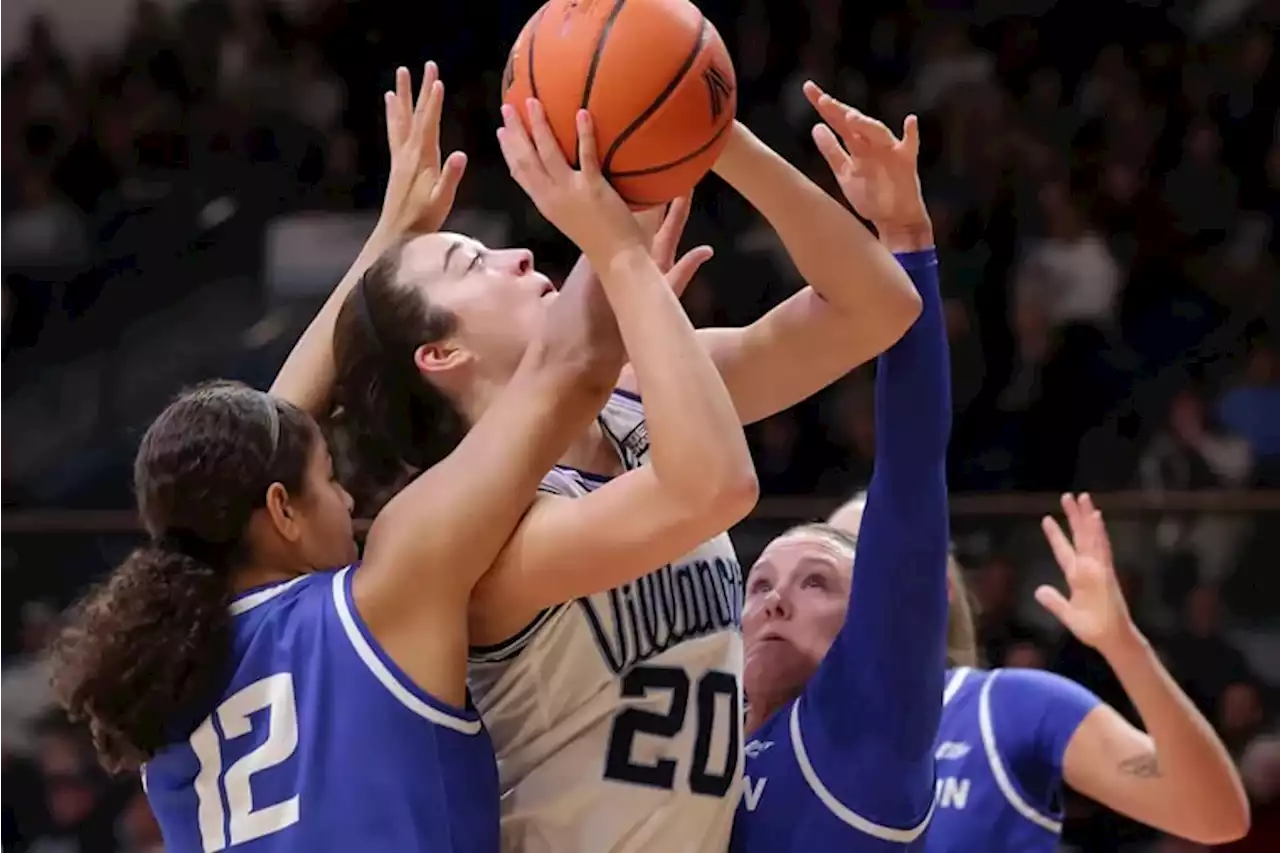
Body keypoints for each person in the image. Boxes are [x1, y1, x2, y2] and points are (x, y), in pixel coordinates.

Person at [46, 62, 735, 852]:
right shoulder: (376, 604)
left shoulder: (163, 686)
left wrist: (387, 245)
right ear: (279, 510)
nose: (352, 505)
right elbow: (572, 374)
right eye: (332, 483)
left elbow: (247, 460)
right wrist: (620, 199)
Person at [272, 65, 922, 851]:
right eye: (473, 265)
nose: (515, 257)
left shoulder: (632, 394)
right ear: (439, 353)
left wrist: (709, 135)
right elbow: (716, 485)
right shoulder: (482, 534)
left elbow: (880, 306)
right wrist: (622, 263)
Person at [733, 90, 952, 852]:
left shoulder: (868, 718)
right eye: (758, 584)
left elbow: (912, 463)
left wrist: (906, 239)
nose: (775, 601)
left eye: (816, 581)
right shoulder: (694, 751)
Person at [830, 493, 1251, 851]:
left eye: (864, 555)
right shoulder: (779, 731)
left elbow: (1213, 816)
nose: (849, 577)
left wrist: (1122, 644)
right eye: (822, 566)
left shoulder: (1009, 709)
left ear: (938, 589)